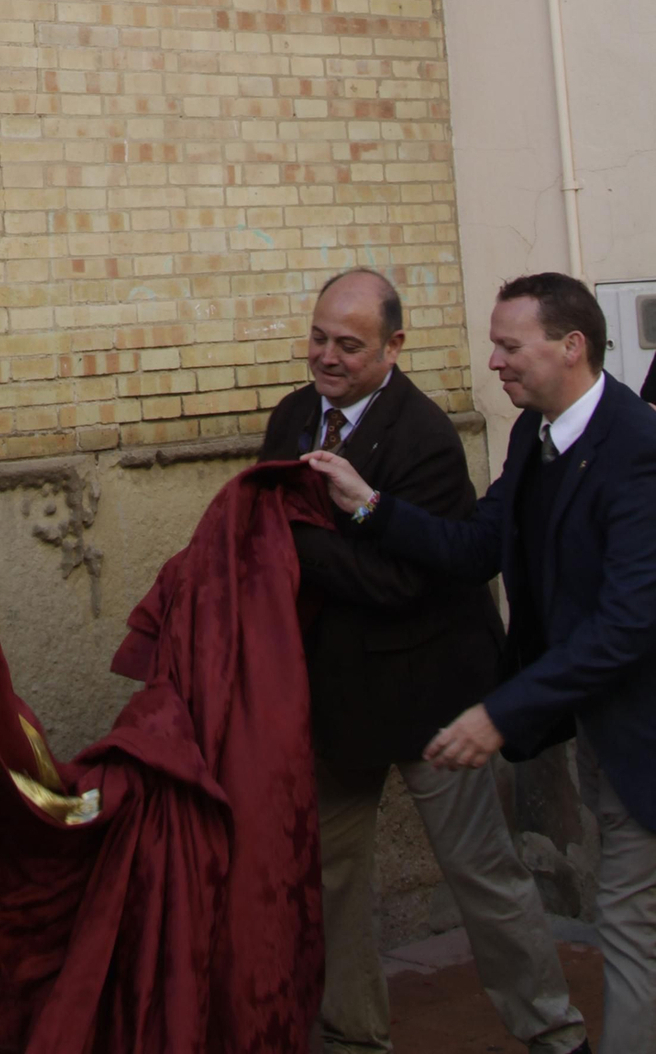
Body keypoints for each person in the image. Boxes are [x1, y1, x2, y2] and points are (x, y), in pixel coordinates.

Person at [310, 271, 656, 1054]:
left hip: (641, 731)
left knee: (632, 932)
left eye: (508, 345)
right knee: (632, 926)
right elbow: (473, 547)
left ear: (570, 346)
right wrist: (368, 506)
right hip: (606, 730)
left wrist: (502, 711)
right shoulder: (536, 437)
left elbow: (628, 623)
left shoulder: (636, 450)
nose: (493, 361)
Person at [262, 269, 585, 1054]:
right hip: (335, 704)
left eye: (349, 344)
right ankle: (352, 1033)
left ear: (393, 347)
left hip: (434, 696)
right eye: (318, 338)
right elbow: (263, 531)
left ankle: (551, 1029)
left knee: (483, 875)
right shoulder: (293, 418)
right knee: (329, 874)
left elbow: (402, 582)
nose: (327, 358)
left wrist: (302, 548)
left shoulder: (426, 436)